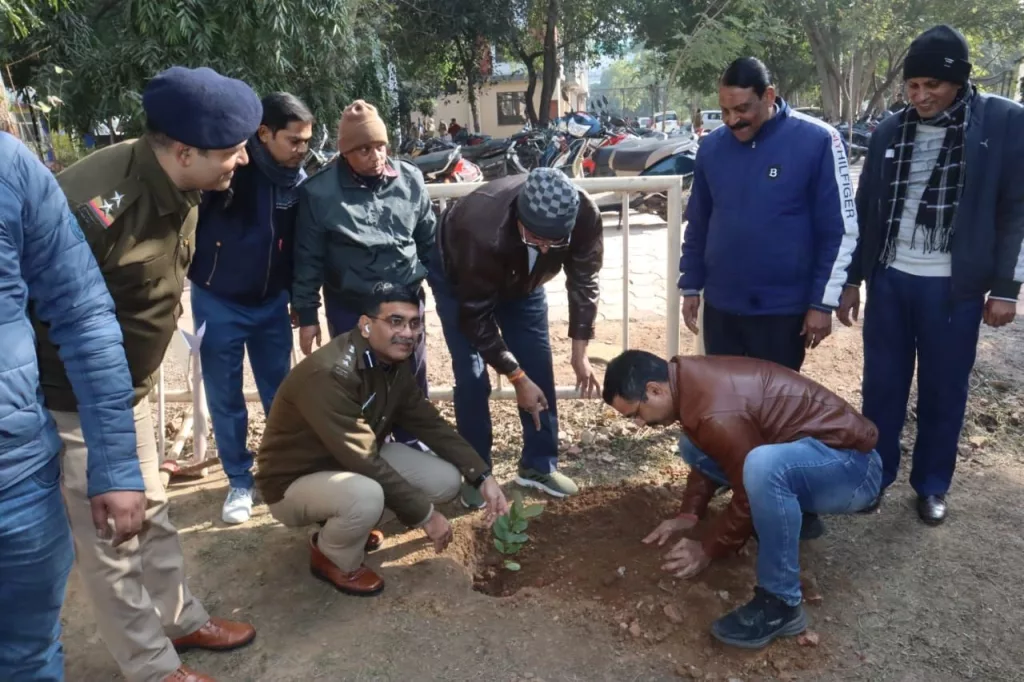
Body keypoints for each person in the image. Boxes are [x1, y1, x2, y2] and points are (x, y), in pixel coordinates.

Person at [34, 66, 262, 682]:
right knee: (111, 537)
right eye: (231, 150)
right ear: (184, 150)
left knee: (152, 509)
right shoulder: (94, 208)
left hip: (128, 389)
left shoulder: (183, 185)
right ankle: (151, 666)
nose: (242, 158)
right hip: (76, 398)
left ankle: (179, 618)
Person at [838, 25, 1024, 526]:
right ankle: (876, 476)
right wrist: (852, 280)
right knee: (881, 387)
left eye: (932, 86)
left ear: (958, 81)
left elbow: (1015, 211)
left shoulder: (1004, 123)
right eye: (912, 86)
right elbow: (866, 210)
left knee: (944, 390)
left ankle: (933, 484)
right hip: (892, 280)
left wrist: (1007, 288)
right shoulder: (887, 131)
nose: (920, 96)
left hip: (952, 288)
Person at [602, 350, 881, 649]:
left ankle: (781, 603)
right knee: (694, 449)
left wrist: (707, 548)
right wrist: (689, 514)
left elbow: (747, 489)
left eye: (635, 414)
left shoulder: (713, 409)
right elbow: (710, 444)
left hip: (853, 470)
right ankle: (798, 513)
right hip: (818, 458)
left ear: (654, 390)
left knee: (763, 468)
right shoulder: (689, 382)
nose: (639, 425)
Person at [1, 123, 145, 681]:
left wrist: (115, 465)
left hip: (15, 486)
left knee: (26, 658)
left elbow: (83, 316)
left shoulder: (12, 167)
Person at [256, 284, 508, 594]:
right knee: (367, 496)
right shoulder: (331, 374)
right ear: (366, 325)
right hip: (293, 482)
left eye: (414, 323)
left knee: (446, 481)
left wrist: (482, 475)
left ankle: (350, 523)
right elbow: (363, 459)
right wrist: (426, 517)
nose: (408, 333)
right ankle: (332, 556)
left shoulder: (392, 363)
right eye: (395, 321)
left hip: (346, 463)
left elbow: (429, 423)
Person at [427, 168, 603, 506]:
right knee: (473, 375)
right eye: (535, 237)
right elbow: (475, 318)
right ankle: (477, 474)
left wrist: (580, 353)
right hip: (460, 276)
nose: (546, 247)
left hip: (525, 281)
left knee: (538, 362)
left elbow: (584, 280)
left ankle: (539, 465)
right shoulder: (477, 230)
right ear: (519, 215)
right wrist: (516, 377)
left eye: (555, 242)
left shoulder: (584, 214)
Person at [679, 57, 857, 371]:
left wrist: (821, 303)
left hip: (782, 313)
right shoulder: (711, 149)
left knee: (774, 411)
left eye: (742, 109)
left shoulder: (817, 141)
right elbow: (699, 222)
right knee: (725, 406)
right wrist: (691, 285)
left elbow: (839, 230)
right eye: (725, 111)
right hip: (722, 308)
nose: (732, 120)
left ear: (769, 96)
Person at [188, 92, 314, 525]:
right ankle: (239, 479)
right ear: (264, 134)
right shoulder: (228, 171)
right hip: (217, 300)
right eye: (294, 141)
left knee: (280, 395)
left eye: (306, 142)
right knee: (226, 400)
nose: (302, 150)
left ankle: (281, 471)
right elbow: (187, 228)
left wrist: (299, 300)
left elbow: (300, 247)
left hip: (271, 305)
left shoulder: (297, 183)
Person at [293, 99, 435, 446]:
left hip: (405, 302)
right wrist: (308, 314)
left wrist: (447, 294)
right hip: (351, 304)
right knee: (357, 377)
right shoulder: (319, 192)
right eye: (364, 150)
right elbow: (307, 258)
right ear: (345, 152)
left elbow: (430, 242)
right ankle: (366, 449)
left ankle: (412, 442)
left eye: (380, 146)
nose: (376, 156)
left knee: (411, 373)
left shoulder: (411, 179)